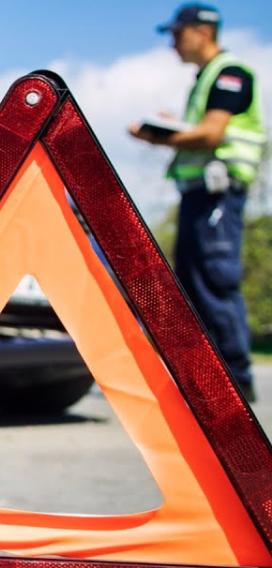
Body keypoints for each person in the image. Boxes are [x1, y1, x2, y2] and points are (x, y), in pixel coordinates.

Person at [130, 3, 266, 402]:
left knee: (214, 280)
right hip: (199, 195)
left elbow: (211, 134)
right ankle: (207, 381)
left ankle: (235, 383)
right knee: (193, 282)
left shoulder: (229, 73)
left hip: (218, 195)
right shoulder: (206, 78)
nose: (173, 43)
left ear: (202, 32)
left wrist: (160, 137)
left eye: (177, 34)